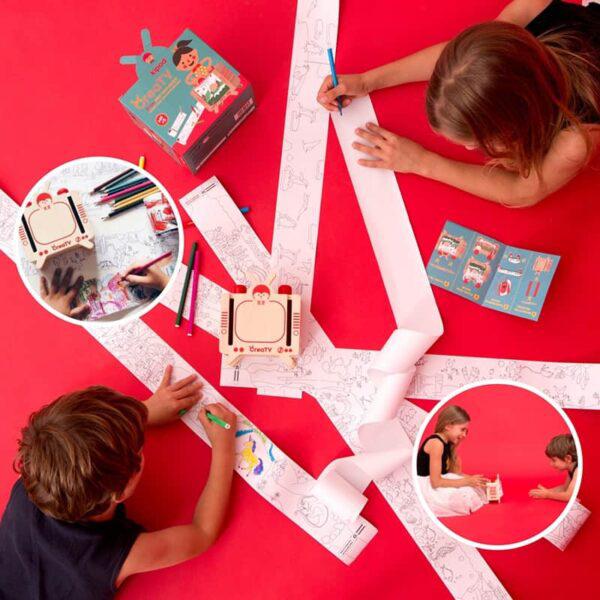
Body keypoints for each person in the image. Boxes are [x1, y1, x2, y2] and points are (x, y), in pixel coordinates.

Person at [317, 0, 600, 206]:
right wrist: (368, 81)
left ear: (518, 120)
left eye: (477, 141)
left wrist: (422, 162)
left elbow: (523, 191)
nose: (468, 148)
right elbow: (460, 63)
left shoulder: (576, 136)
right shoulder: (528, 13)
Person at [0, 365, 237, 599]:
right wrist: (224, 448)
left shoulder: (33, 473)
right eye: (139, 448)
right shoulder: (113, 555)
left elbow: (70, 443)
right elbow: (202, 533)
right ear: (121, 491)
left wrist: (143, 412)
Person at [416, 405, 489, 517]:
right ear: (448, 426)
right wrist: (467, 481)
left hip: (437, 480)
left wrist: (475, 480)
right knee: (462, 494)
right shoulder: (436, 443)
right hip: (426, 485)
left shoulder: (447, 443)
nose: (464, 435)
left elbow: (453, 474)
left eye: (466, 431)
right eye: (462, 429)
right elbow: (436, 482)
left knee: (472, 489)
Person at [529, 433, 579, 501]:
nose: (551, 464)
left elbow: (569, 496)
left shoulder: (578, 471)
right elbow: (565, 488)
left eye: (554, 460)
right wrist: (547, 491)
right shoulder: (571, 469)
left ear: (568, 459)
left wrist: (547, 494)